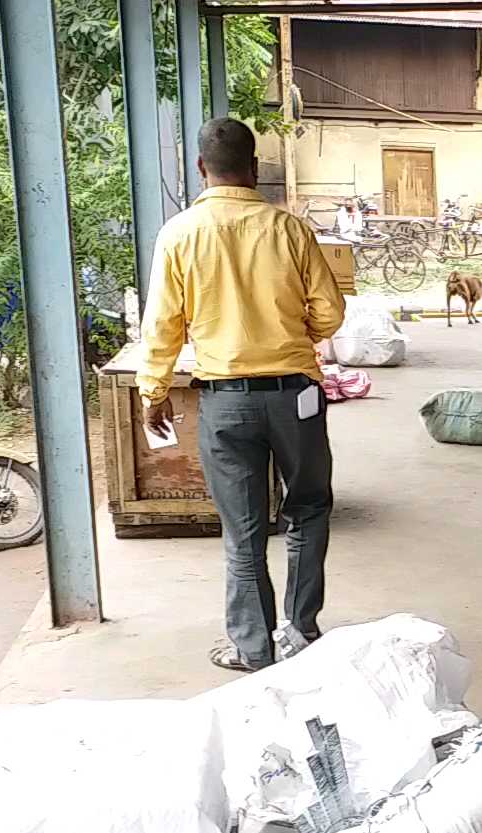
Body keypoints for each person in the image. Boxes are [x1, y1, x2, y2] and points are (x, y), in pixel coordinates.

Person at [138, 117, 347, 672]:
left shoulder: (180, 233)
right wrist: (293, 336)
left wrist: (153, 392)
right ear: (256, 170)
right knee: (307, 509)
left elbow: (162, 325)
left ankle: (254, 650)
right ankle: (302, 633)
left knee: (244, 528)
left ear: (201, 169)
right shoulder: (289, 229)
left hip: (225, 402)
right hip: (294, 396)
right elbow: (330, 312)